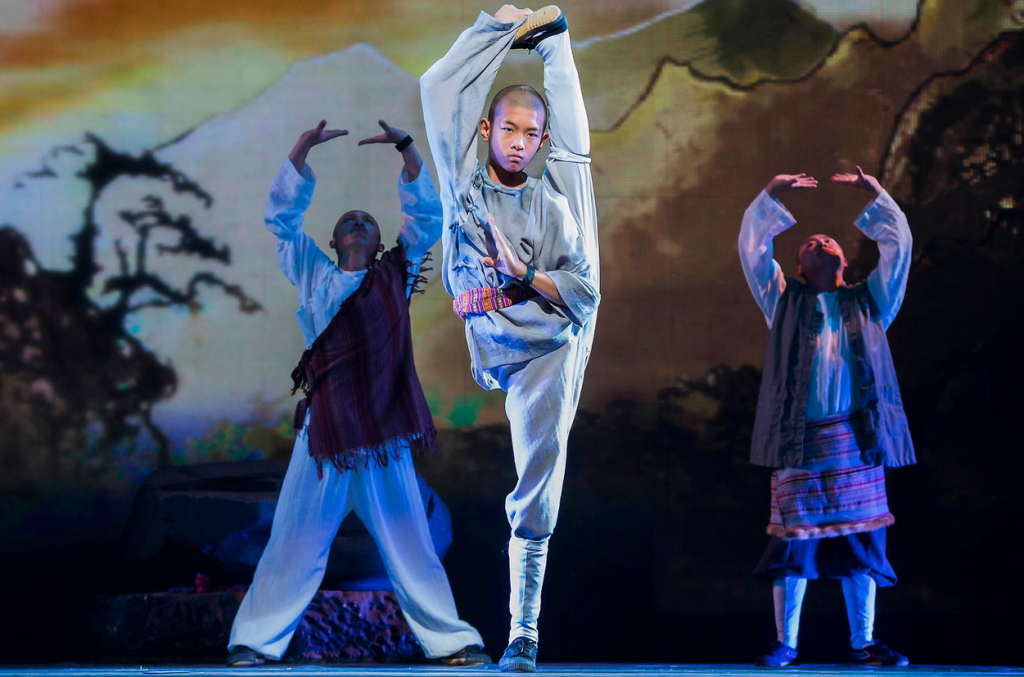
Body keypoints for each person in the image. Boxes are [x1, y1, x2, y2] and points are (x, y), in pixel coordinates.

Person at [226, 119, 489, 667]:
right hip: (324, 435)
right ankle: (254, 642)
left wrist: (407, 149)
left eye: (368, 221)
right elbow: (281, 220)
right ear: (332, 241)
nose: (359, 223)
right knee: (293, 544)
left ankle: (452, 641)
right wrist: (300, 149)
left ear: (376, 241)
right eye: (349, 219)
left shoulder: (396, 272)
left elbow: (427, 218)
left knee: (410, 542)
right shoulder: (313, 275)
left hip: (383, 433)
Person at [420, 5, 599, 672]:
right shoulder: (464, 181)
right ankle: (538, 35)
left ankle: (524, 629)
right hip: (497, 335)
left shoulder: (550, 203)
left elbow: (583, 289)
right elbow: (437, 91)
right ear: (488, 130)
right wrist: (493, 29)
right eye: (510, 129)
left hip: (553, 336)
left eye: (533, 133)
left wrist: (523, 272)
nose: (521, 142)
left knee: (537, 482)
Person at [738, 167, 915, 667]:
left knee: (863, 542)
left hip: (857, 440)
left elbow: (898, 251)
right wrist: (771, 192)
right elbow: (754, 253)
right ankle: (785, 642)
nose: (820, 241)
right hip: (801, 440)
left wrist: (876, 195)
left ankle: (863, 644)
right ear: (798, 267)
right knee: (792, 547)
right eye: (810, 242)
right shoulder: (785, 301)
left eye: (828, 239)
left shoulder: (871, 301)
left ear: (841, 260)